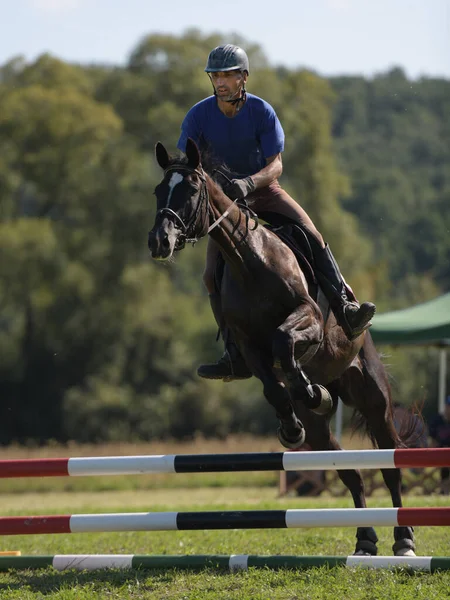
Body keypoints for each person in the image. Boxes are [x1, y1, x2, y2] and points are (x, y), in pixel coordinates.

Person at [177, 44, 376, 381]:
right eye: (215, 75)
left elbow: (276, 166)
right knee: (210, 275)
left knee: (312, 234)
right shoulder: (197, 115)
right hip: (225, 206)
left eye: (226, 75)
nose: (220, 82)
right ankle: (233, 354)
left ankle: (345, 307)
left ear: (243, 77)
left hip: (265, 192)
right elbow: (188, 165)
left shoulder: (262, 111)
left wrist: (248, 183)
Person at [428, 395, 450, 495]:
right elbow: (432, 440)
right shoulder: (436, 420)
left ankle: (444, 489)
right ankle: (443, 489)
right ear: (445, 406)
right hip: (439, 452)